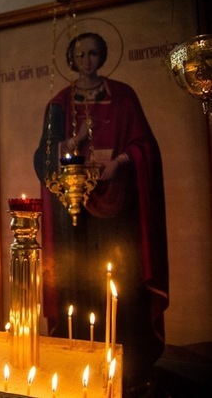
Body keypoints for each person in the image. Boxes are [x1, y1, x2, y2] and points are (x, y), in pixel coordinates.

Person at [33, 32, 168, 394]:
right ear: (72, 60)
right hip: (76, 216)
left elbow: (146, 147)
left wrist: (122, 161)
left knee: (121, 284)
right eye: (81, 54)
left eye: (94, 53)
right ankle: (83, 363)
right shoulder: (59, 103)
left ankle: (130, 367)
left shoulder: (122, 96)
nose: (87, 60)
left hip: (119, 213)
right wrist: (72, 143)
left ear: (103, 57)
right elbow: (44, 159)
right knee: (80, 283)